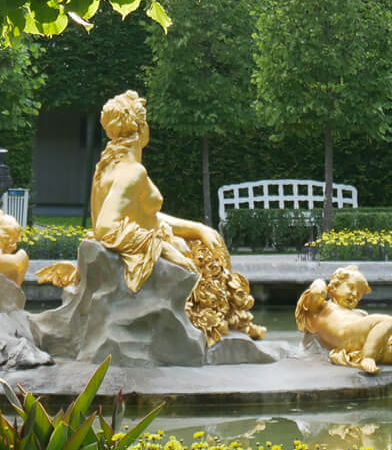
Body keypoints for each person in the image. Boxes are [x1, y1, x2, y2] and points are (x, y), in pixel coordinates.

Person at [82, 89, 265, 344]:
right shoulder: (132, 172)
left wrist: (196, 228)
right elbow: (105, 228)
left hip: (145, 234)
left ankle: (231, 323)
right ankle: (215, 327)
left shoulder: (108, 165)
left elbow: (139, 216)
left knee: (207, 239)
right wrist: (164, 249)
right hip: (141, 248)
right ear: (141, 127)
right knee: (201, 256)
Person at [295, 265, 392, 391]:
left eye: (359, 295)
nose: (354, 295)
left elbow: (377, 333)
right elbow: (314, 294)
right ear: (334, 286)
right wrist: (320, 284)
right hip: (346, 337)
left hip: (366, 344)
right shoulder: (321, 308)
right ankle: (368, 357)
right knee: (387, 321)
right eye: (350, 288)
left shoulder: (359, 313)